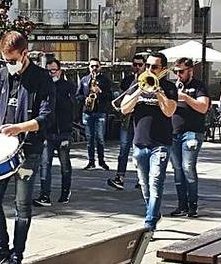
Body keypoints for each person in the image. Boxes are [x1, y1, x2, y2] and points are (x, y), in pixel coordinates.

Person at [0, 31, 54, 264]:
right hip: (1, 149)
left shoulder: (42, 78)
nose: (9, 64)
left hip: (29, 149)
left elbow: (46, 117)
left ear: (25, 54)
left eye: (13, 60)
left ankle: (17, 254)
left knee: (22, 205)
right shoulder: (4, 75)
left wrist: (19, 128)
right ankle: (1, 250)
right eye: (5, 60)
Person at [119, 52, 179, 231]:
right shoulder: (137, 84)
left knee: (155, 182)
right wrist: (139, 90)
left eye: (154, 67)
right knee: (144, 185)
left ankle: (149, 222)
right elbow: (124, 109)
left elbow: (169, 112)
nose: (150, 70)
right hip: (140, 142)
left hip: (161, 143)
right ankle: (154, 213)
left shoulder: (169, 87)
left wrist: (158, 92)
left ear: (163, 69)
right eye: (148, 66)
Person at [168, 58, 210, 218]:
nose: (178, 75)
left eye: (181, 71)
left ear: (190, 70)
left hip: (192, 133)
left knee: (188, 168)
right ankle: (181, 205)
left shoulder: (199, 86)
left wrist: (185, 97)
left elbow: (203, 107)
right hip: (174, 133)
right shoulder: (173, 86)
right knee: (177, 170)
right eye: (176, 72)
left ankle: (193, 205)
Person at [35, 58, 75, 206]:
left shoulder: (68, 86)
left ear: (59, 71)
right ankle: (44, 196)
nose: (51, 73)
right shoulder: (43, 86)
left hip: (63, 131)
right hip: (47, 132)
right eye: (48, 71)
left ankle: (65, 192)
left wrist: (54, 91)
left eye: (53, 70)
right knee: (45, 164)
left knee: (65, 165)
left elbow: (71, 107)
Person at [107, 55, 146, 190]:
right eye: (135, 64)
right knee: (123, 150)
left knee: (139, 152)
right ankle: (120, 177)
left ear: (144, 65)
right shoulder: (128, 80)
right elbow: (122, 99)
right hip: (128, 119)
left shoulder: (149, 80)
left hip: (141, 120)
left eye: (140, 65)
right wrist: (134, 82)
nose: (137, 67)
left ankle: (141, 179)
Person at [76, 58, 112, 170]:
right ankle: (91, 162)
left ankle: (101, 161)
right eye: (92, 66)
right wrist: (85, 99)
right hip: (87, 112)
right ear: (89, 67)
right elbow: (77, 96)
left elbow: (111, 96)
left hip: (100, 112)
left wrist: (100, 91)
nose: (94, 68)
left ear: (100, 67)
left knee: (100, 138)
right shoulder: (84, 80)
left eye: (96, 66)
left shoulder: (105, 80)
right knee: (90, 138)